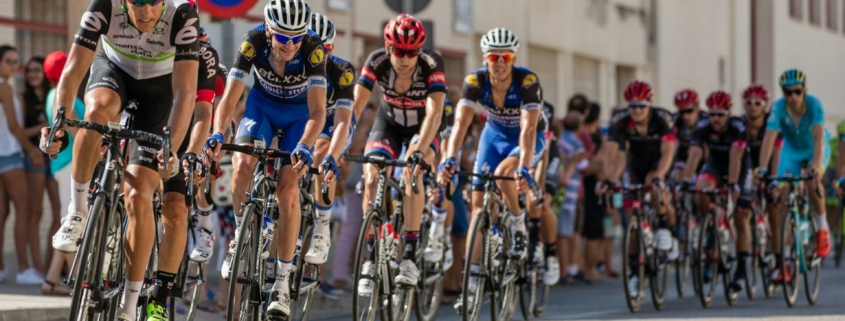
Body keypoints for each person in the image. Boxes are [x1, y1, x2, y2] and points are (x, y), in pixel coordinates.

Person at [39, 0, 200, 319]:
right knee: (96, 112)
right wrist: (60, 123)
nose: (146, 12)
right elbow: (72, 73)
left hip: (159, 94)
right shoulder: (103, 5)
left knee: (140, 195)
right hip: (114, 73)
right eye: (136, 2)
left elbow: (185, 92)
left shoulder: (182, 14)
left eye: (154, 2)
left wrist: (172, 148)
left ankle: (130, 303)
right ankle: (78, 211)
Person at [205, 1, 327, 318]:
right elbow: (230, 98)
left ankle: (282, 284)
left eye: (296, 38)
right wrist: (218, 133)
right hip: (262, 108)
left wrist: (305, 145)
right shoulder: (253, 41)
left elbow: (317, 112)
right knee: (243, 165)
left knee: (288, 188)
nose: (290, 45)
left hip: (300, 117)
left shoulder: (313, 49)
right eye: (283, 38)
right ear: (270, 30)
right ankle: (240, 235)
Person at [439, 27, 544, 311]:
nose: (500, 63)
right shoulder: (475, 80)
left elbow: (529, 127)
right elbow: (460, 125)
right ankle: (472, 284)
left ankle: (519, 226)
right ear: (486, 58)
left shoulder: (527, 81)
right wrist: (449, 157)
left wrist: (524, 166)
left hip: (525, 138)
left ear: (513, 58)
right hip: (494, 135)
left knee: (506, 177)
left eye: (506, 57)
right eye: (494, 57)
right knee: (476, 208)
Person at [354, 14, 445, 294]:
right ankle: (370, 258)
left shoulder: (431, 64)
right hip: (389, 124)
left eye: (411, 52)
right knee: (371, 177)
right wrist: (341, 142)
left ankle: (409, 255)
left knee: (412, 171)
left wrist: (418, 150)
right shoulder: (377, 61)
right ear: (387, 48)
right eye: (398, 52)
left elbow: (434, 113)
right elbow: (356, 107)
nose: (405, 59)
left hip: (423, 128)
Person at [599, 80, 677, 297]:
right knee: (630, 212)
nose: (637, 111)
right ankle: (634, 272)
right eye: (632, 106)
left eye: (641, 106)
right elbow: (610, 151)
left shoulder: (663, 118)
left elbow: (669, 150)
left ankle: (664, 228)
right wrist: (608, 178)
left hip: (659, 162)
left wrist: (660, 175)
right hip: (635, 164)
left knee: (654, 186)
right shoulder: (620, 120)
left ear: (650, 104)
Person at [758, 69, 832, 282]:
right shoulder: (779, 108)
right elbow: (768, 139)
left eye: (798, 92)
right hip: (791, 152)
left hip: (813, 149)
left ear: (804, 91)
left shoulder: (815, 105)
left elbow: (818, 138)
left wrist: (816, 168)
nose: (793, 97)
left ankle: (822, 228)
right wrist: (762, 169)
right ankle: (786, 262)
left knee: (811, 181)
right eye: (788, 93)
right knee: (782, 200)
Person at [682, 90, 753, 290]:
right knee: (701, 191)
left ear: (729, 113)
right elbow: (694, 153)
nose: (715, 119)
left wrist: (732, 184)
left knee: (741, 215)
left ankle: (740, 270)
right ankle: (710, 228)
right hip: (715, 164)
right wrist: (687, 180)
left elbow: (736, 156)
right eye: (712, 114)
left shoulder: (739, 126)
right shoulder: (702, 126)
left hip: (739, 167)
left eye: (720, 114)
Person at [304, 12, 356, 266]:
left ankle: (322, 228)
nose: (316, 55)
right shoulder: (292, 64)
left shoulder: (342, 70)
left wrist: (333, 157)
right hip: (304, 122)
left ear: (331, 48)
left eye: (324, 49)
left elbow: (343, 121)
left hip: (334, 123)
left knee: (321, 155)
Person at [40, 50, 83, 296]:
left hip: (62, 164)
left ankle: (52, 278)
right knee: (71, 224)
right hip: (71, 163)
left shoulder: (51, 93)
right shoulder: (64, 93)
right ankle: (75, 280)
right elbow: (74, 125)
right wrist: (94, 153)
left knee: (67, 222)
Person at [0, 45, 43, 285]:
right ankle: (24, 269)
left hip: (2, 153)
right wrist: (31, 150)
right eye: (9, 61)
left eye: (17, 61)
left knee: (3, 212)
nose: (14, 66)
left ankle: (2, 269)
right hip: (10, 155)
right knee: (24, 210)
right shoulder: (4, 87)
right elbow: (14, 126)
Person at [742, 83, 783, 278]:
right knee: (744, 201)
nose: (752, 106)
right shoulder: (741, 125)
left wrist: (773, 181)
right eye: (749, 102)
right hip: (750, 166)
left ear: (765, 105)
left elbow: (776, 154)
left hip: (771, 163)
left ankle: (779, 259)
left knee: (774, 209)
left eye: (757, 103)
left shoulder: (772, 123)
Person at [556, 113, 589, 283]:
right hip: (569, 195)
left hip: (556, 194)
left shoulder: (560, 140)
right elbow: (584, 165)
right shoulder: (576, 144)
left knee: (561, 233)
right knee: (566, 234)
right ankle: (565, 271)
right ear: (579, 127)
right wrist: (574, 161)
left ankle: (563, 270)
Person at [672, 89, 708, 183]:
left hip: (704, 158)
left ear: (698, 108)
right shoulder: (676, 120)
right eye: (682, 112)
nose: (685, 116)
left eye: (689, 111)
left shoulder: (706, 121)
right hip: (683, 157)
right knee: (677, 175)